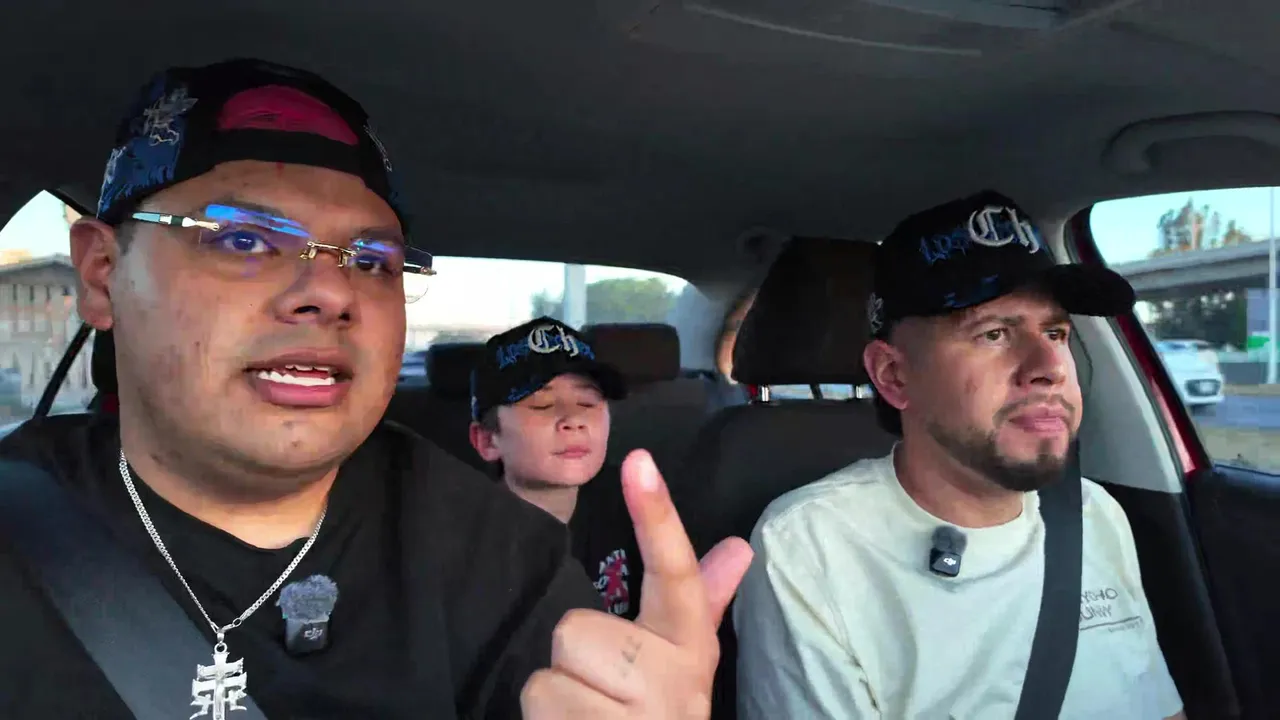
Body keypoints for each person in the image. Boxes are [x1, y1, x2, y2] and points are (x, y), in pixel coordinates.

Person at [0, 57, 751, 719]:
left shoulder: (500, 559)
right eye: (243, 239)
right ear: (102, 274)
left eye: (371, 261)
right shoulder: (25, 524)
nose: (332, 292)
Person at [733, 190, 1186, 719]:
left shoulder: (1096, 514)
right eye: (994, 334)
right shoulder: (810, 547)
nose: (1050, 367)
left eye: (1056, 332)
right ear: (893, 375)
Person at [469, 317, 645, 619]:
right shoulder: (464, 543)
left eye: (588, 402)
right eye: (542, 405)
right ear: (487, 440)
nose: (573, 419)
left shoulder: (632, 505)